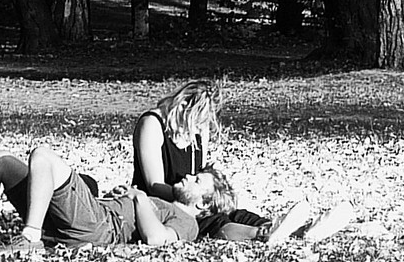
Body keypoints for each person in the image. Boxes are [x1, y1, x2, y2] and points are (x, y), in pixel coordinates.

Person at [133, 80, 355, 245]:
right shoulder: (152, 125)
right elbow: (154, 184)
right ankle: (263, 234)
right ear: (181, 107)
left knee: (236, 213)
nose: (195, 132)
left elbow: (203, 170)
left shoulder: (200, 129)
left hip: (194, 196)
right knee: (215, 222)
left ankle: (297, 229)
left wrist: (213, 194)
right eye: (193, 124)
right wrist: (193, 198)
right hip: (165, 201)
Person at [0, 145, 235, 252]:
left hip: (96, 227)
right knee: (2, 160)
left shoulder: (189, 222)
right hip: (88, 216)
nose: (187, 176)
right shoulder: (160, 202)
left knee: (43, 155)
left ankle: (30, 237)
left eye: (197, 181)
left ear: (205, 203)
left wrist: (139, 199)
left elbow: (156, 239)